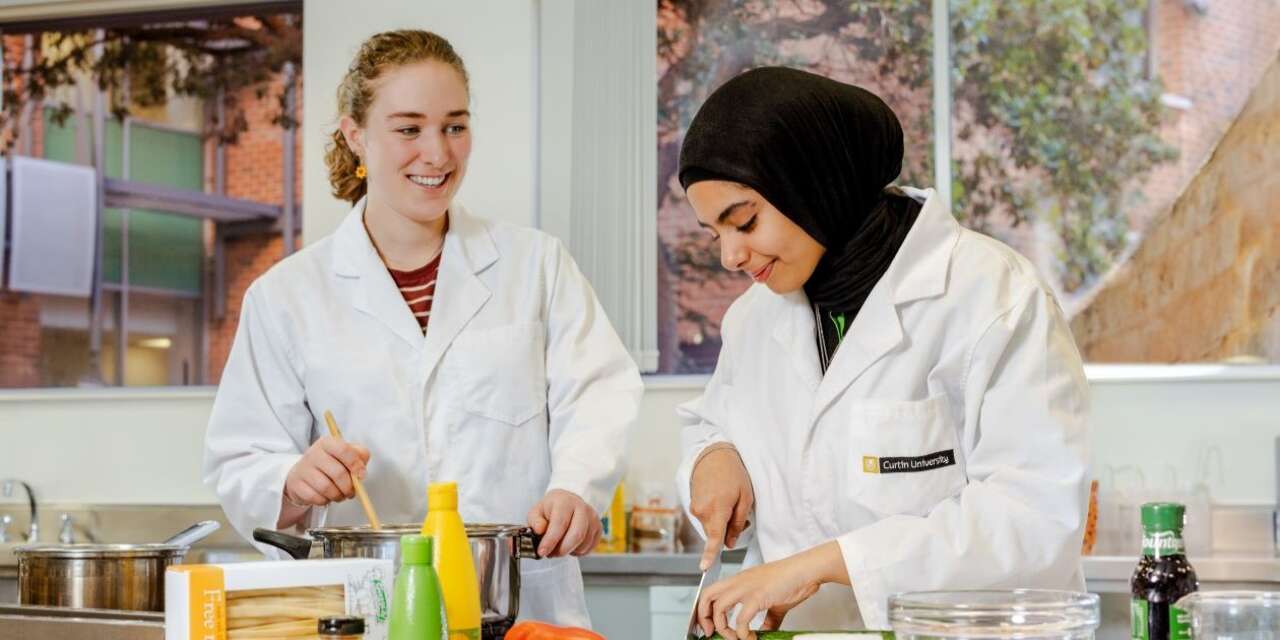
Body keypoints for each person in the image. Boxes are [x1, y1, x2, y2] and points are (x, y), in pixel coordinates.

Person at [203, 29, 642, 627]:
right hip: (369, 608)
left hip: (521, 609)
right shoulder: (287, 296)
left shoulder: (535, 266)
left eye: (454, 127)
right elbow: (240, 457)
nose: (436, 153)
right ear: (355, 133)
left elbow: (598, 391)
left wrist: (576, 487)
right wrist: (292, 479)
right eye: (408, 129)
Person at [676, 67, 1089, 638]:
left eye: (743, 221)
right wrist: (713, 456)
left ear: (813, 181)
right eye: (712, 233)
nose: (729, 256)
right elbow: (714, 422)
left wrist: (819, 566)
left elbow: (1034, 519)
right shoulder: (754, 318)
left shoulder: (991, 295)